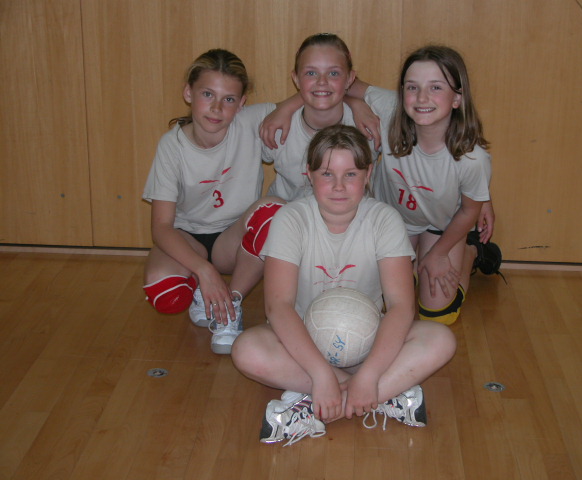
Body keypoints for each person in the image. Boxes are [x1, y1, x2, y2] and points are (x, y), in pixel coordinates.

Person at [231, 125, 457, 446]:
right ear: (308, 174)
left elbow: (401, 306)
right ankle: (383, 395)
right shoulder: (291, 219)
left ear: (368, 174)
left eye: (350, 174)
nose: (338, 186)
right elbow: (278, 307)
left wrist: (369, 373)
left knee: (440, 339)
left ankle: (312, 407)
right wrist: (321, 374)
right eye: (327, 174)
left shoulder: (384, 220)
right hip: (301, 347)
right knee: (247, 350)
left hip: (368, 346)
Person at [344, 45, 502, 325]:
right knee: (378, 303)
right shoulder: (390, 110)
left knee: (439, 316)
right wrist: (355, 103)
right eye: (412, 87)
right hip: (393, 224)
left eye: (436, 87)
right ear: (402, 92)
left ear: (457, 98)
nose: (422, 97)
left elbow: (469, 211)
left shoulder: (472, 158)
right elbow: (340, 83)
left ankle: (470, 252)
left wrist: (439, 254)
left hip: (441, 226)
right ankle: (414, 263)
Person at [142, 49, 284, 354]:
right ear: (188, 93)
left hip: (233, 240)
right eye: (208, 94)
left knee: (275, 211)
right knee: (165, 295)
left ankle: (229, 305)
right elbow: (161, 227)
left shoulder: (249, 122)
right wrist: (204, 271)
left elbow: (309, 99)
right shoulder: (171, 146)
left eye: (229, 99)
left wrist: (356, 103)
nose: (217, 108)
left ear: (241, 103)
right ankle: (200, 285)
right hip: (188, 239)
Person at [260, 33, 381, 202]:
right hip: (287, 213)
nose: (322, 81)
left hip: (352, 215)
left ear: (350, 79)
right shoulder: (276, 127)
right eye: (311, 73)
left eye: (333, 73)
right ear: (296, 79)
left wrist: (355, 102)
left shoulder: (370, 125)